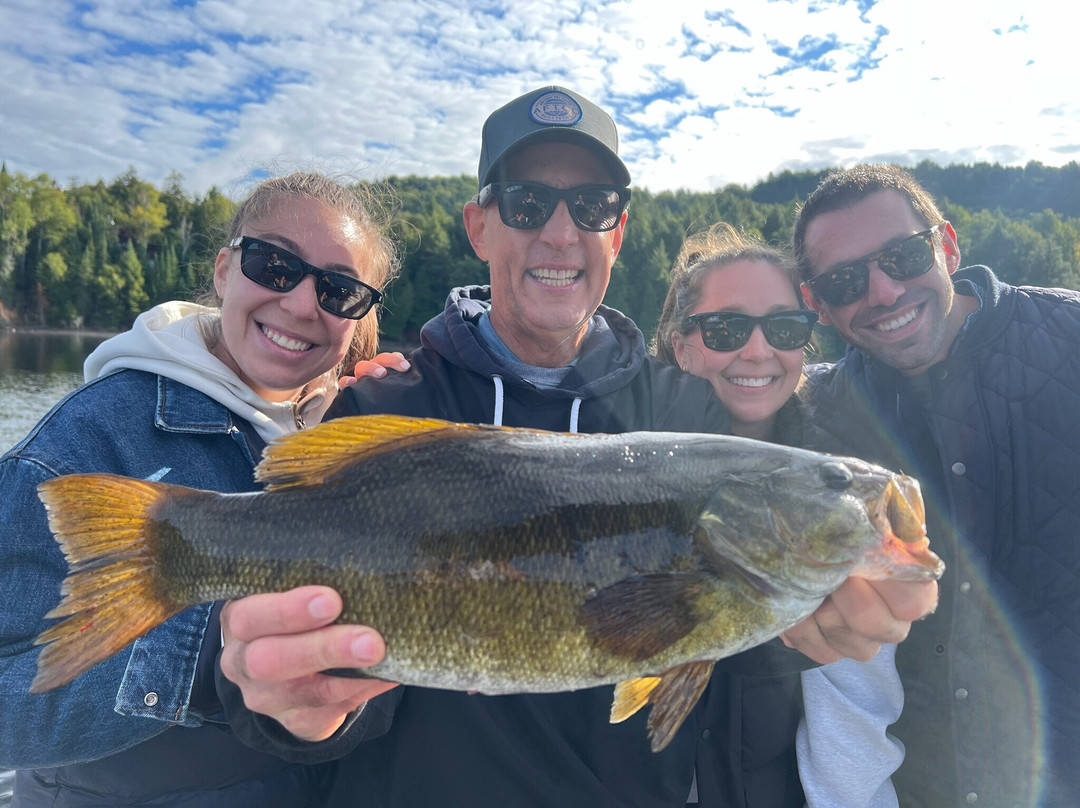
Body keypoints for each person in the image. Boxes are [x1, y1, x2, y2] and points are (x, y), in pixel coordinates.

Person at [215, 87, 938, 808]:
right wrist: (295, 710)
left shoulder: (693, 413)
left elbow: (743, 675)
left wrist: (836, 616)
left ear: (617, 234)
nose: (560, 234)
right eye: (527, 204)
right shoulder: (384, 404)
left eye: (591, 207)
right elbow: (288, 678)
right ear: (480, 227)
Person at [0, 171, 401, 807]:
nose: (300, 304)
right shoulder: (84, 442)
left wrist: (395, 429)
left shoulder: (351, 437)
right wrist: (205, 661)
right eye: (273, 265)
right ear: (223, 271)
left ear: (359, 319)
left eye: (339, 290)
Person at [792, 163, 1080, 807]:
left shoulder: (1071, 340)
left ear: (946, 245)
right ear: (816, 304)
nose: (884, 291)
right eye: (844, 281)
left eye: (903, 255)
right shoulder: (819, 414)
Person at [654, 222, 906, 808]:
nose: (758, 351)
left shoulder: (837, 509)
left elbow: (853, 728)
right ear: (679, 344)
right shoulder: (615, 458)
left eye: (785, 328)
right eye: (726, 328)